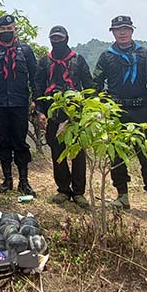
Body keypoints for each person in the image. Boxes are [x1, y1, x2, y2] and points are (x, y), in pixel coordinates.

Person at [93, 15, 147, 217]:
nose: (122, 32)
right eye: (118, 29)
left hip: (142, 111)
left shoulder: (144, 55)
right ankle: (122, 196)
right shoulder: (107, 56)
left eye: (126, 28)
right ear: (112, 32)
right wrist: (98, 107)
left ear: (132, 30)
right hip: (116, 112)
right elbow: (96, 84)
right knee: (116, 156)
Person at [0, 14, 38, 195]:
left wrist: (35, 99)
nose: (6, 32)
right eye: (3, 29)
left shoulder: (25, 51)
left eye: (9, 29)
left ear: (15, 29)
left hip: (20, 104)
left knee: (20, 142)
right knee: (3, 142)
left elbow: (35, 78)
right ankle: (7, 180)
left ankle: (24, 182)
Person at [35, 25, 93, 207]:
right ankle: (63, 189)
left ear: (66, 38)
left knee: (77, 154)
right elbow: (38, 88)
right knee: (57, 152)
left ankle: (78, 192)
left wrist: (90, 111)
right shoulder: (45, 62)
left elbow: (89, 86)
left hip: (75, 115)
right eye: (54, 38)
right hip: (54, 113)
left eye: (60, 38)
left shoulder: (78, 60)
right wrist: (40, 111)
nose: (57, 41)